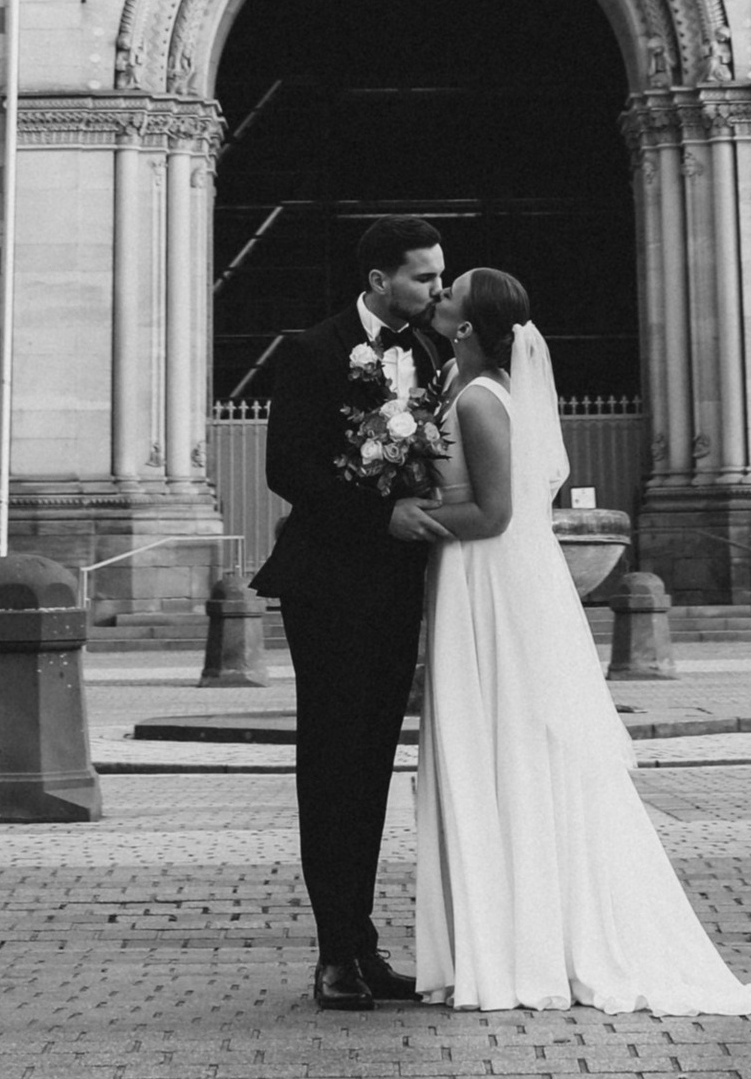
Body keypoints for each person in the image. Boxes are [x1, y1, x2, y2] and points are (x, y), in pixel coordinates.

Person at [398, 268, 751, 1017]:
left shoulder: (481, 401)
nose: (442, 290)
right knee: (493, 742)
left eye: (452, 287)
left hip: (486, 578)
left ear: (466, 324)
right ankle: (502, 938)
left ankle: (523, 948)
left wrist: (407, 518)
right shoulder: (466, 390)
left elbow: (493, 514)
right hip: (472, 581)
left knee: (507, 742)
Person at [251, 219, 452, 1010]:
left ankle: (363, 946)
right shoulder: (312, 351)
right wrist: (381, 518)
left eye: (440, 277)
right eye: (424, 278)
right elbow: (287, 468)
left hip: (396, 586)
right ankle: (335, 953)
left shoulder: (430, 355)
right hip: (328, 585)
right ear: (378, 280)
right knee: (332, 764)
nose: (438, 290)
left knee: (371, 766)